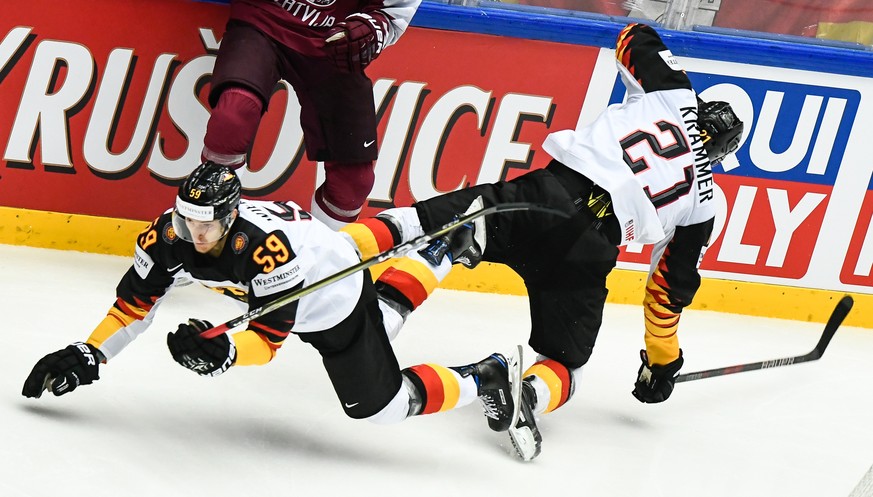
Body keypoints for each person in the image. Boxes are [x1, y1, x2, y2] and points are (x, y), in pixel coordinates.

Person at [341, 23, 744, 461]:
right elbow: (665, 297)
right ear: (722, 154)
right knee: (567, 368)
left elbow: (634, 36)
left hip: (545, 197)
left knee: (417, 224)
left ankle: (352, 266)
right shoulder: (705, 202)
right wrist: (662, 363)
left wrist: (674, 78)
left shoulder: (673, 94)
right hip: (589, 252)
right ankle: (523, 393)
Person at [21, 161, 525, 454]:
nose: (193, 236)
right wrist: (90, 352)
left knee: (382, 408)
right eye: (185, 219)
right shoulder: (167, 238)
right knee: (386, 321)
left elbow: (266, 342)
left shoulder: (263, 249)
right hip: (316, 262)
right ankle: (441, 253)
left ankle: (487, 373)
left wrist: (223, 356)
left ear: (231, 216)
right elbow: (133, 306)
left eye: (206, 225)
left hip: (330, 296)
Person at [201, 0, 421, 229]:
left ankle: (322, 259)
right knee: (233, 115)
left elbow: (393, 12)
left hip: (331, 40)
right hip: (262, 18)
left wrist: (373, 27)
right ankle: (206, 233)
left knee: (353, 182)